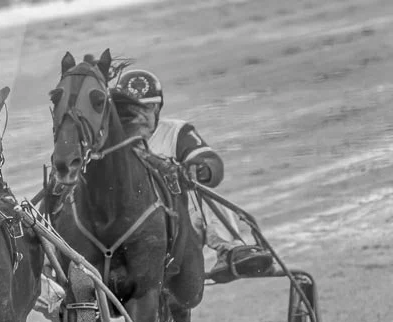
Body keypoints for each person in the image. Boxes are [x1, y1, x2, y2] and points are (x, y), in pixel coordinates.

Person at [111, 67, 275, 281]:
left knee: (198, 189)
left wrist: (201, 169)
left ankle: (230, 251)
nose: (142, 116)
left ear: (158, 108)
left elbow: (212, 163)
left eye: (149, 107)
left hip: (177, 223)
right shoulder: (109, 141)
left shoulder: (176, 132)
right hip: (126, 229)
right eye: (134, 110)